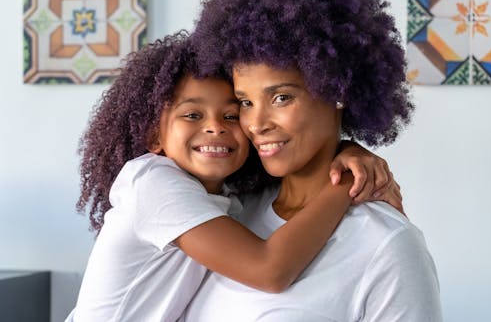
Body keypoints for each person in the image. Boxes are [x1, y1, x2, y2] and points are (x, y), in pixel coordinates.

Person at [67, 32, 399, 321]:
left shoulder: (229, 199)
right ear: (155, 137)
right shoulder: (154, 183)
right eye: (192, 114)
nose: (215, 127)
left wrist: (348, 149)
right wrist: (345, 182)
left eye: (231, 113)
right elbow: (268, 269)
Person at [180, 0, 442, 321]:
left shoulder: (388, 244)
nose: (256, 124)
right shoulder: (230, 206)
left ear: (337, 91)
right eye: (245, 102)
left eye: (281, 98)